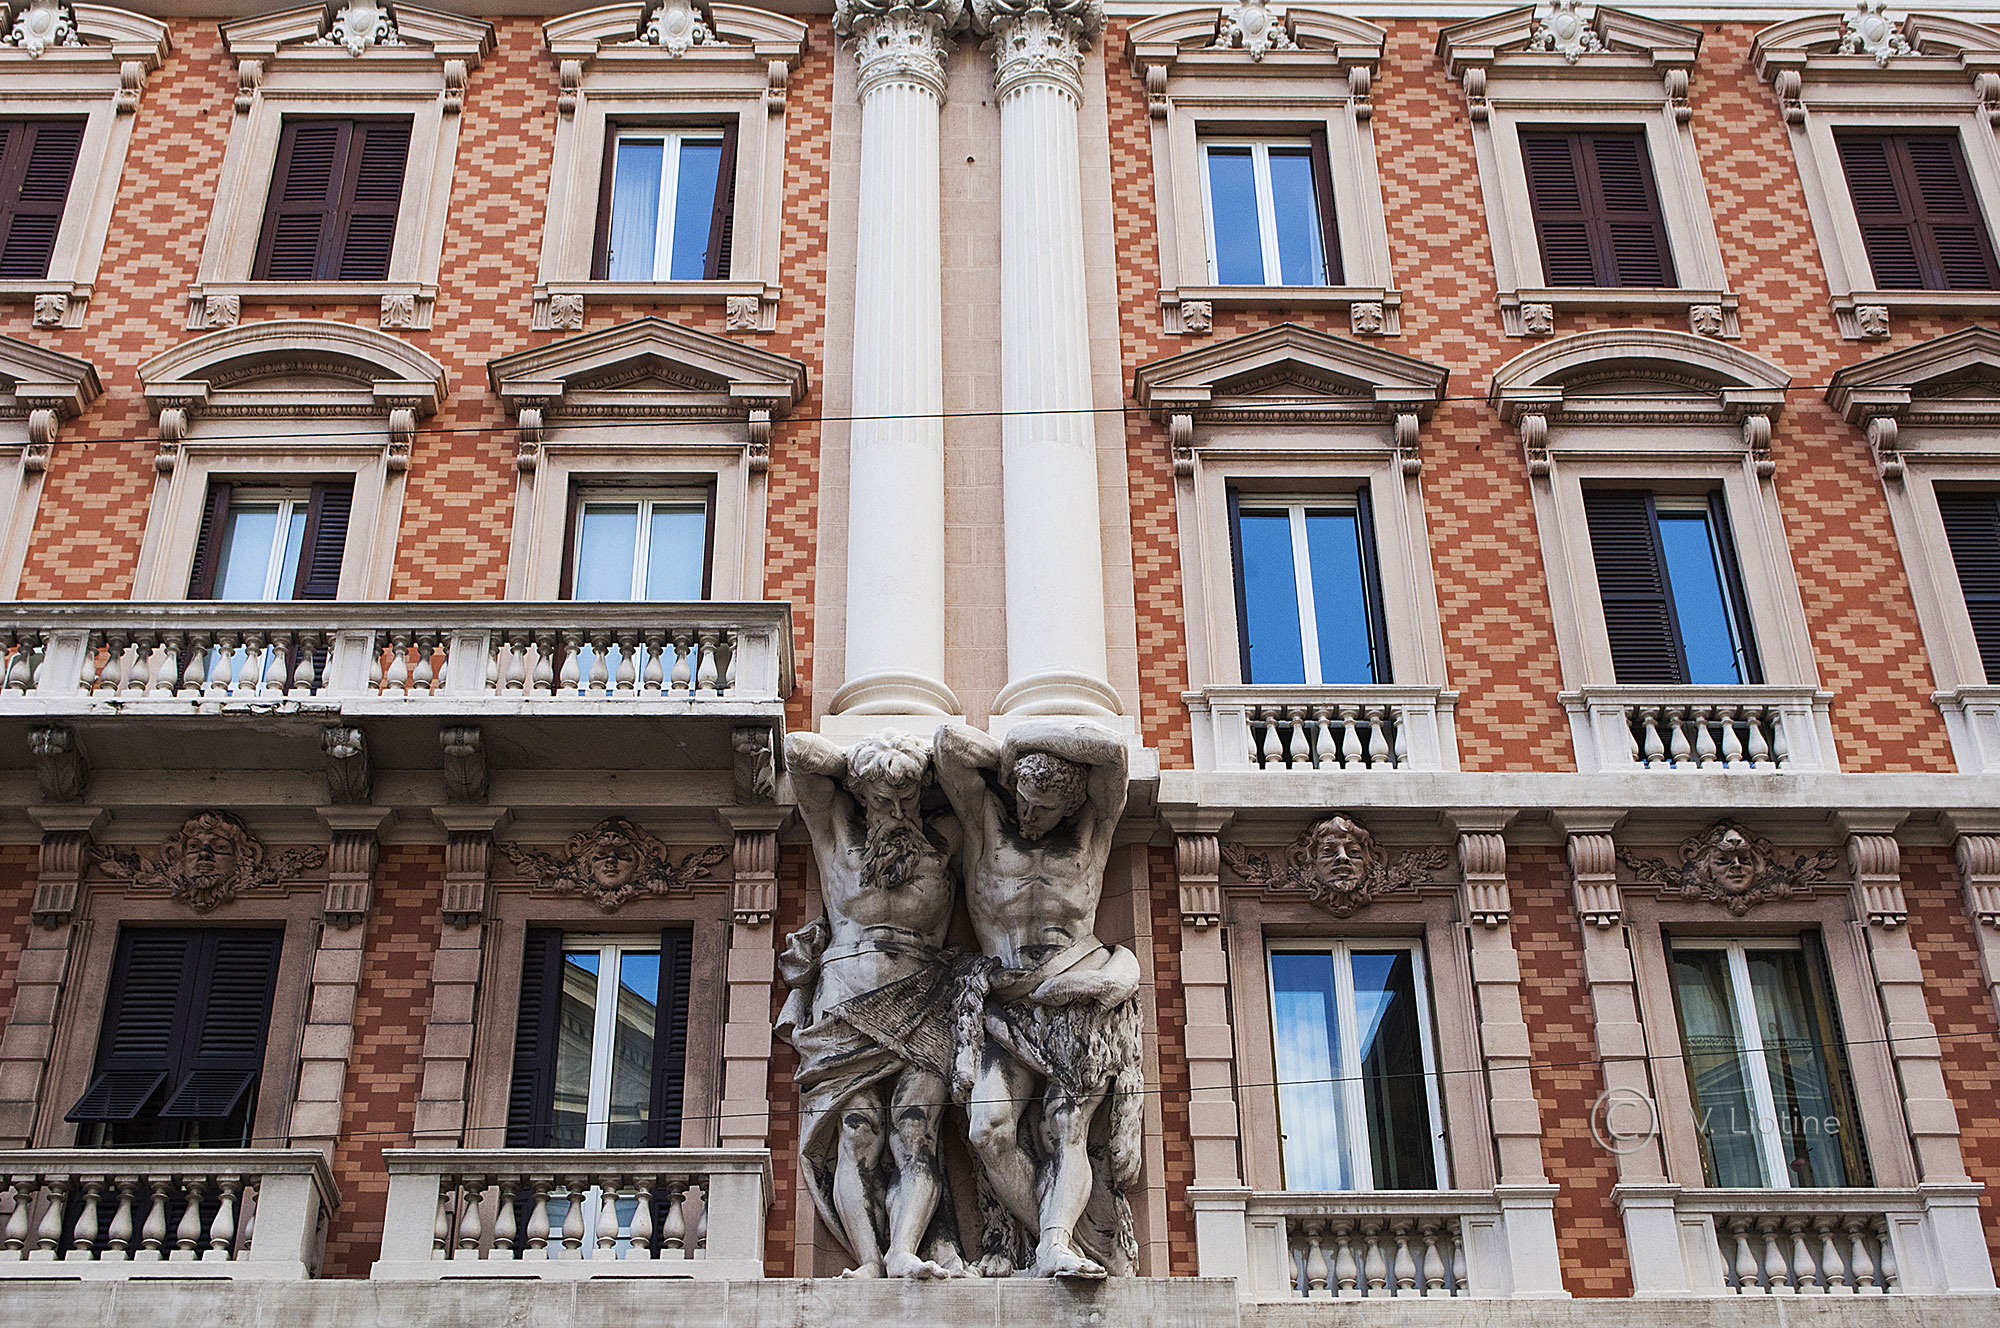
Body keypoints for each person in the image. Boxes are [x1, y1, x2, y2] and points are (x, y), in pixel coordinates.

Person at [933, 719, 1142, 1279]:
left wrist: (1042, 752)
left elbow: (1112, 755)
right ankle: (1066, 1238)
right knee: (987, 1129)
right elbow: (949, 745)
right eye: (1023, 801)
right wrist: (1018, 757)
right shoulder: (986, 825)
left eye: (1044, 808)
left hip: (1076, 998)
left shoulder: (1091, 835)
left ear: (1070, 805)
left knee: (1067, 1125)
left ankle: (1054, 1243)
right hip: (1006, 1003)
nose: (1028, 815)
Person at [776, 730, 965, 1279]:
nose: (898, 812)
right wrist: (866, 761)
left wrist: (919, 763)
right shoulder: (835, 832)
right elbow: (799, 753)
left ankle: (904, 1250)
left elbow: (969, 769)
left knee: (915, 1132)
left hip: (925, 999)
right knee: (858, 1132)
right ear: (860, 796)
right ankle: (867, 1261)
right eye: (884, 800)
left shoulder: (947, 838)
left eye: (908, 798)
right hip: (845, 1003)